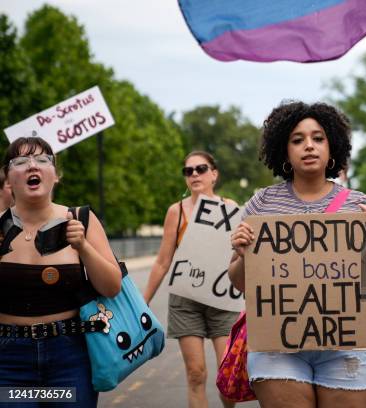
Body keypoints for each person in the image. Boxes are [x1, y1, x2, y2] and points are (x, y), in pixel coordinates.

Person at [229, 101, 366, 408]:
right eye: (297, 139)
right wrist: (242, 256)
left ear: (332, 148)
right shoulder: (260, 204)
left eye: (318, 138)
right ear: (284, 150)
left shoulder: (360, 207)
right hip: (276, 348)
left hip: (348, 347)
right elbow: (240, 283)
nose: (309, 146)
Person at [0, 136, 122, 407]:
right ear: (8, 178)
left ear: (55, 175)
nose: (33, 166)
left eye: (43, 160)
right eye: (20, 161)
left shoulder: (81, 219)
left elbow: (112, 287)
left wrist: (83, 246)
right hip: (9, 363)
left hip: (69, 358)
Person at [143, 151, 238, 408]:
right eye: (189, 171)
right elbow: (163, 261)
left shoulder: (230, 209)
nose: (195, 174)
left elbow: (239, 256)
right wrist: (143, 302)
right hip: (185, 300)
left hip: (222, 300)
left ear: (214, 174)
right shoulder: (176, 211)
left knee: (228, 378)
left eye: (201, 169)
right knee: (196, 374)